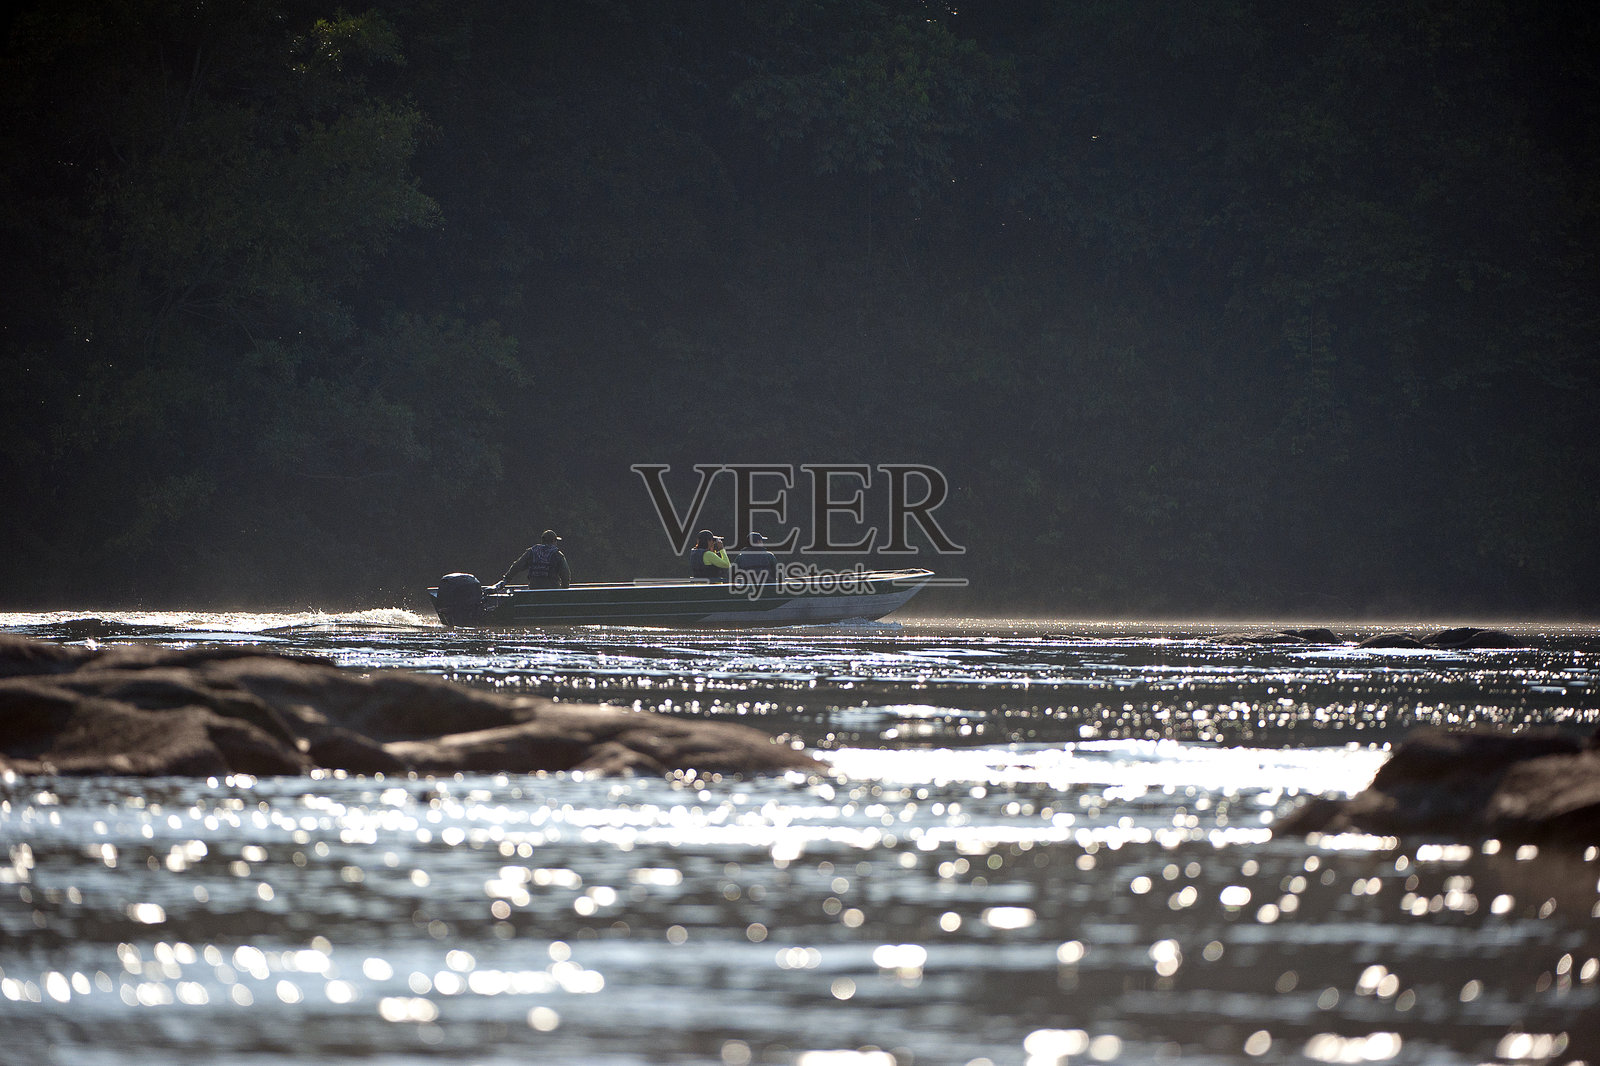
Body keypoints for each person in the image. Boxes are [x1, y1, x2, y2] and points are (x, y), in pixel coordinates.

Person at [496, 529, 571, 589]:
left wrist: (507, 579)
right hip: (552, 590)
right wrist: (564, 588)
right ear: (553, 541)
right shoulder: (557, 554)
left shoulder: (532, 552)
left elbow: (517, 565)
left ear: (542, 541)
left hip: (534, 589)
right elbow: (565, 574)